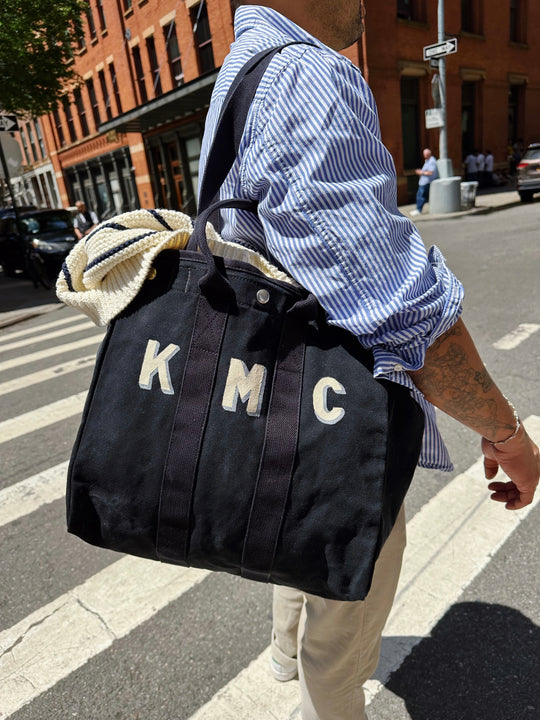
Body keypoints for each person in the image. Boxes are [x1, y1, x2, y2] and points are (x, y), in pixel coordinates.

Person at [199, 4, 539, 719]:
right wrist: (508, 434)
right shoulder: (306, 74)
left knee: (294, 529)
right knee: (343, 623)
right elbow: (396, 305)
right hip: (333, 412)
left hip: (270, 388)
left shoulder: (243, 68)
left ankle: (282, 652)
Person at [410, 147, 438, 216]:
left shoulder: (432, 161)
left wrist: (421, 172)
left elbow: (430, 172)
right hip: (423, 182)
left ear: (429, 154)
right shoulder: (427, 160)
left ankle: (418, 210)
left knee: (421, 196)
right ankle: (418, 209)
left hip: (426, 182)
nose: (424, 155)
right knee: (420, 195)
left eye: (426, 154)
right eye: (424, 154)